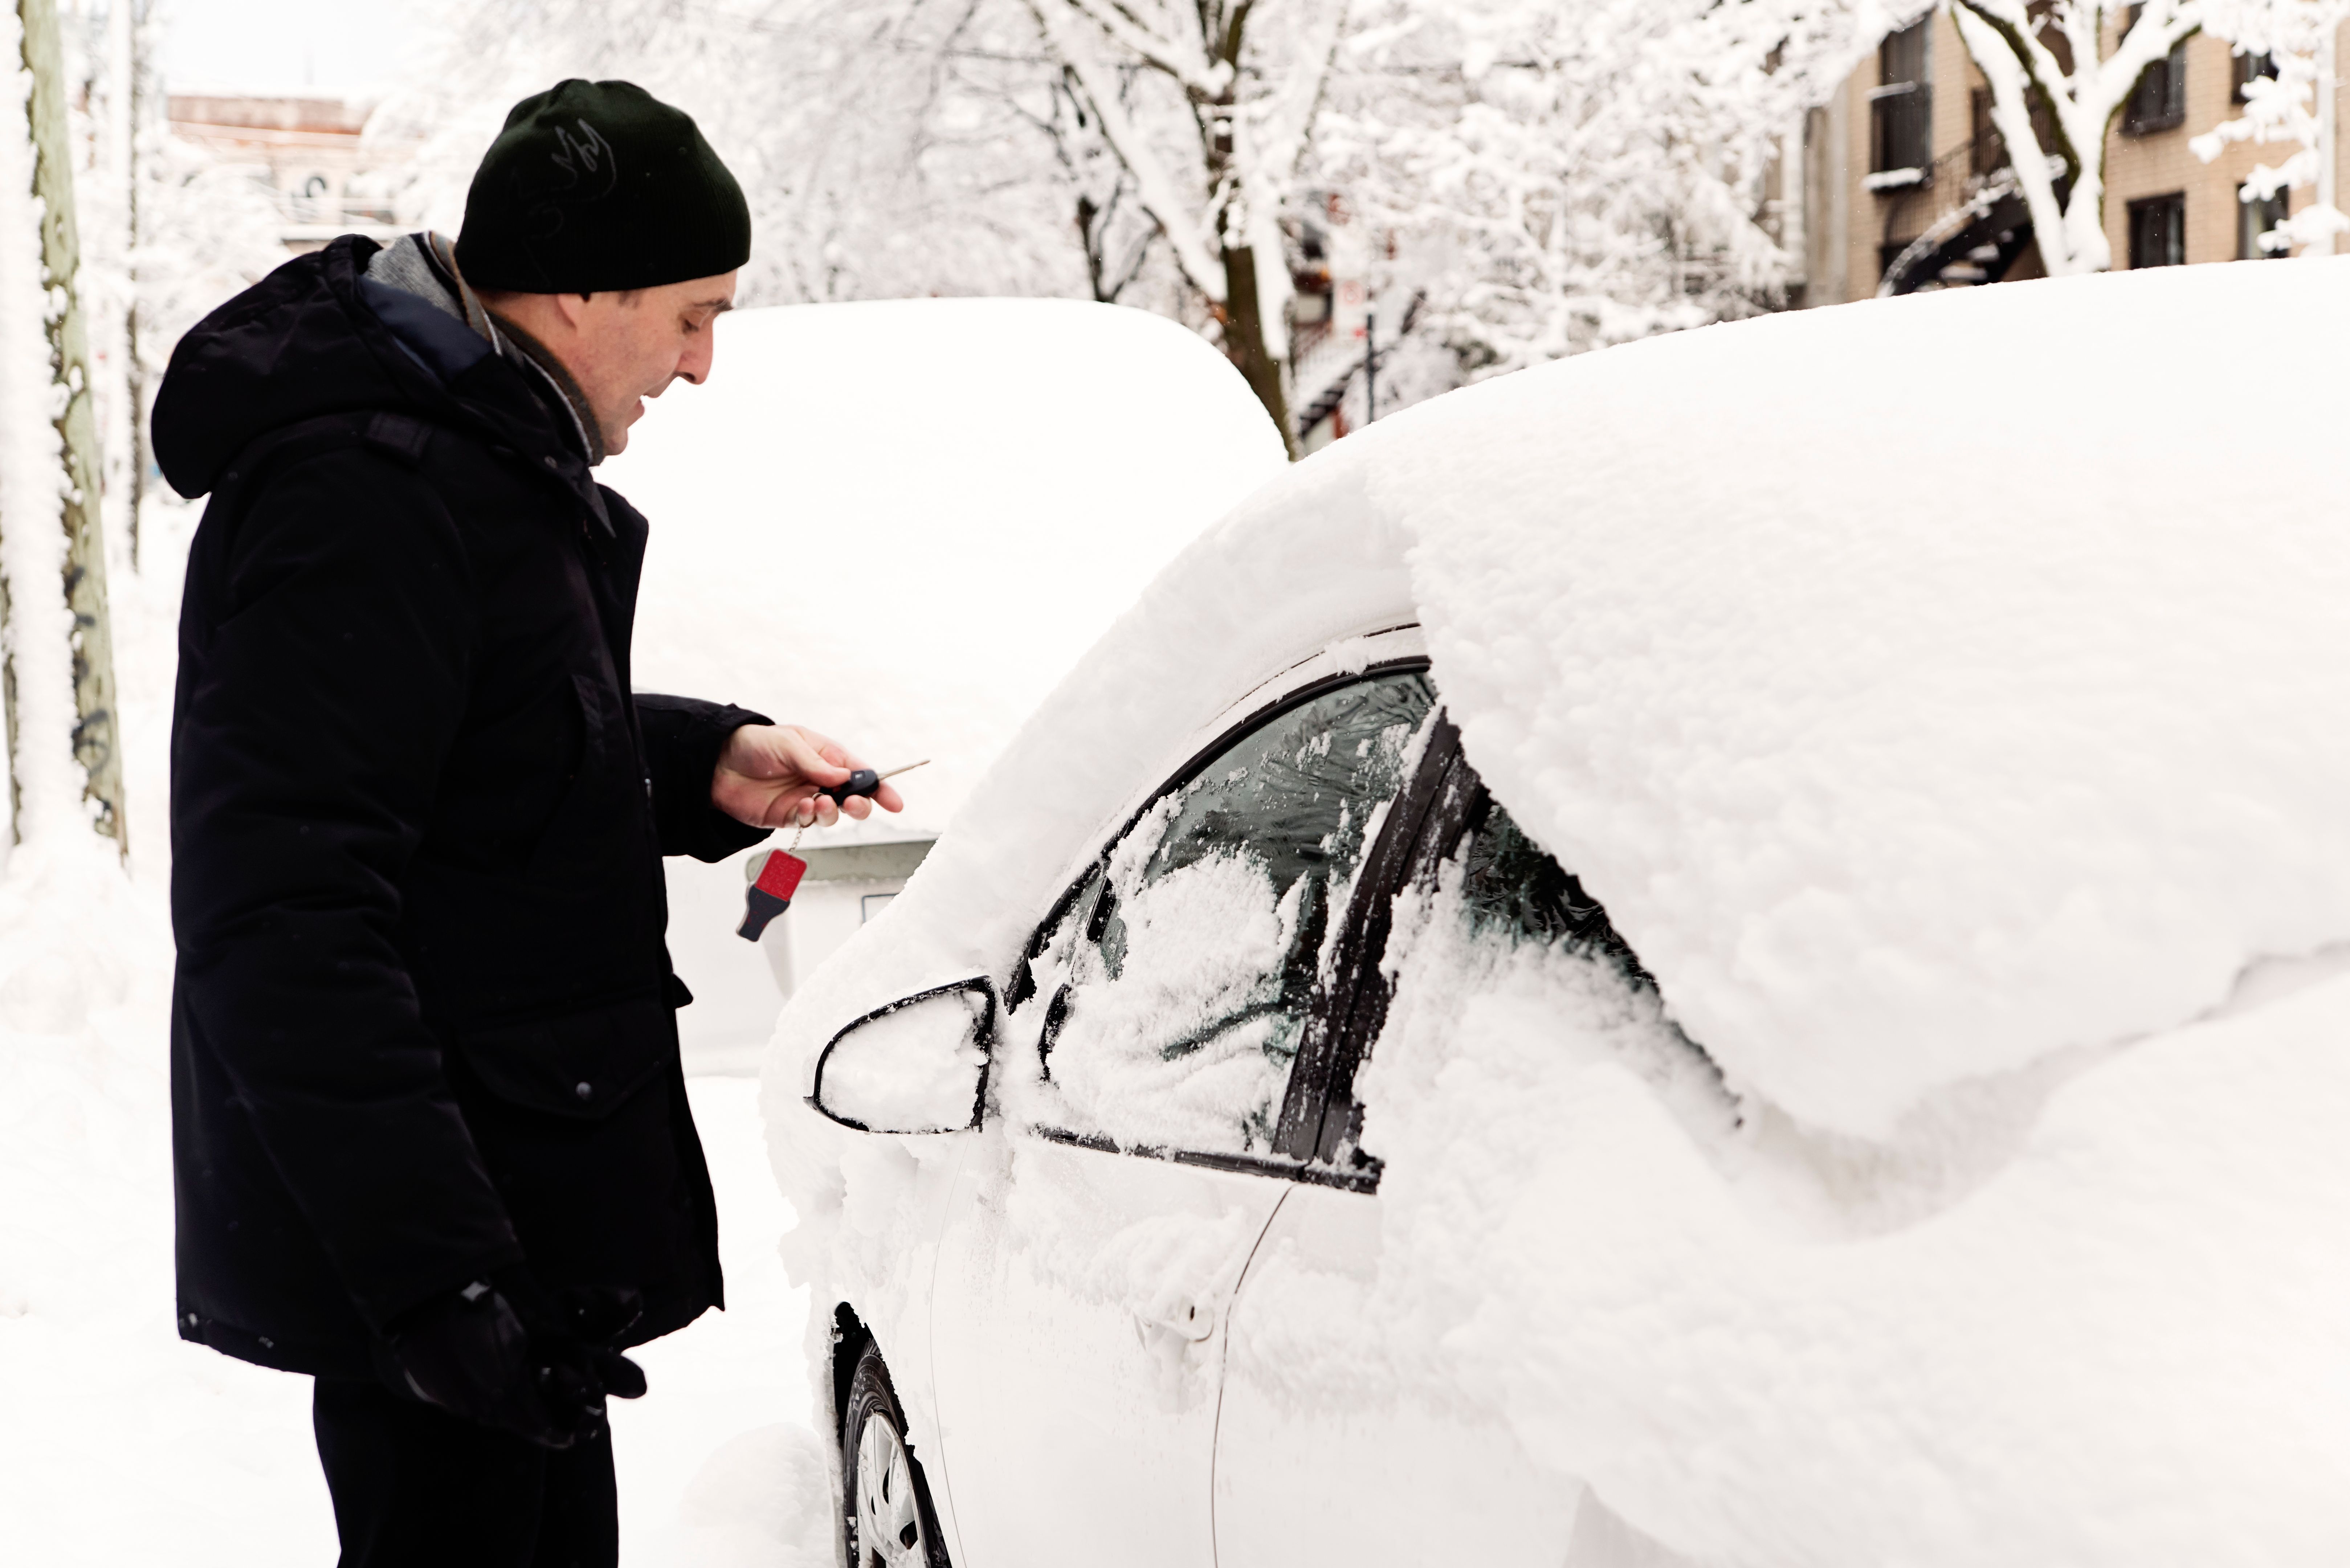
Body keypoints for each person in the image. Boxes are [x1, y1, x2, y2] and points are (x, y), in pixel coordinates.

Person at [151, 80, 897, 1566]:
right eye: (689, 316)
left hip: (506, 1245)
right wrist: (439, 1286)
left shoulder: (474, 459)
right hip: (446, 1258)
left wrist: (698, 762)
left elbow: (468, 763)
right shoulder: (367, 492)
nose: (698, 368)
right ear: (573, 288)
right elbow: (284, 914)